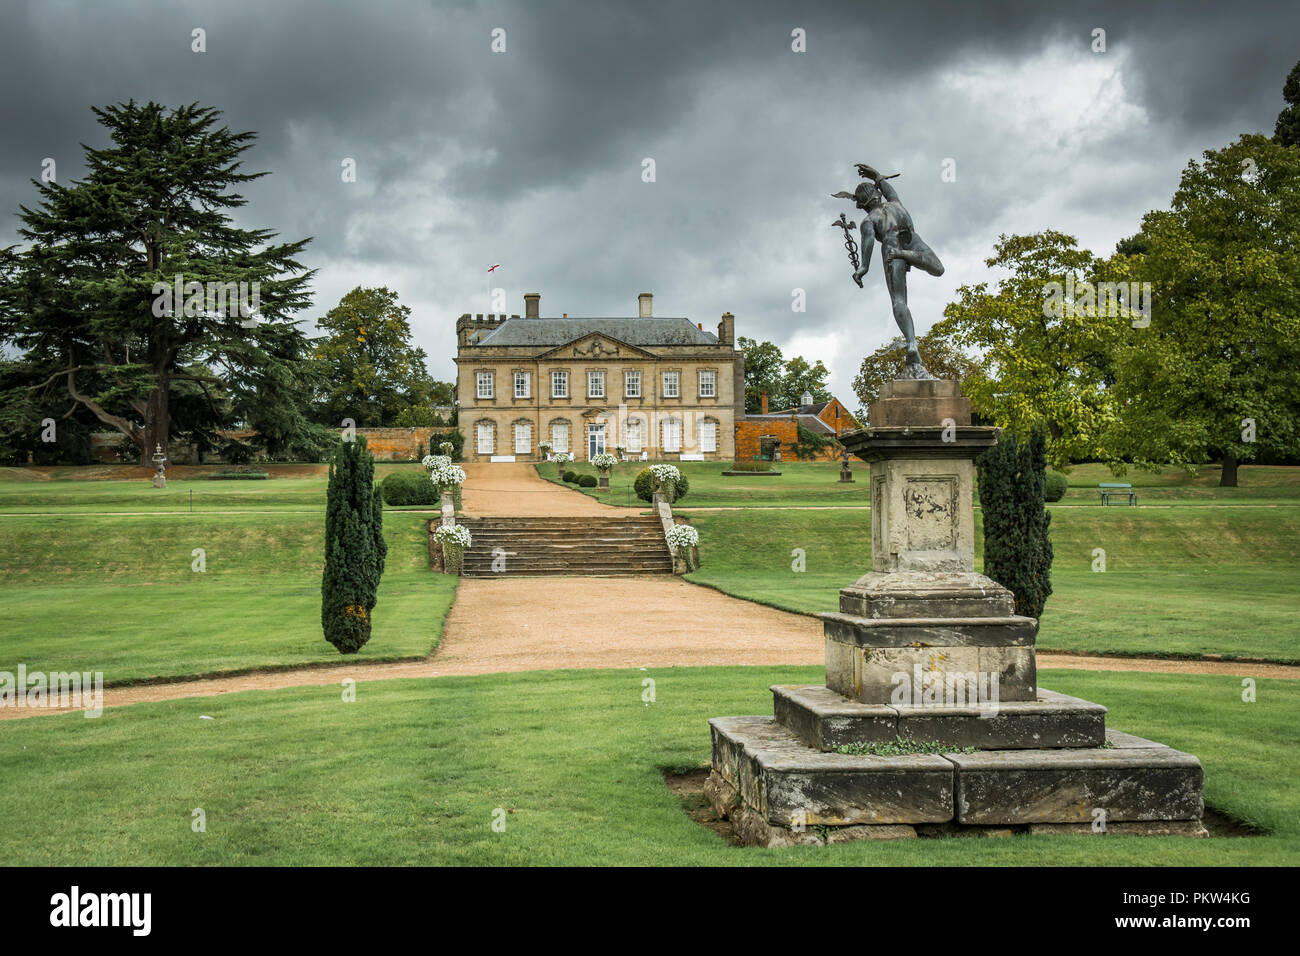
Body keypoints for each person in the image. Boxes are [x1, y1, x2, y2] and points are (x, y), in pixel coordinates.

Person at [834, 164, 944, 376]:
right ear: (878, 195)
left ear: (861, 205)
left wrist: (862, 269)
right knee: (938, 268)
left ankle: (912, 343)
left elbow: (867, 246)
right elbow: (888, 189)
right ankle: (907, 255)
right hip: (913, 241)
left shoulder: (869, 221)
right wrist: (876, 176)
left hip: (892, 249)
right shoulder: (895, 203)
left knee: (899, 301)